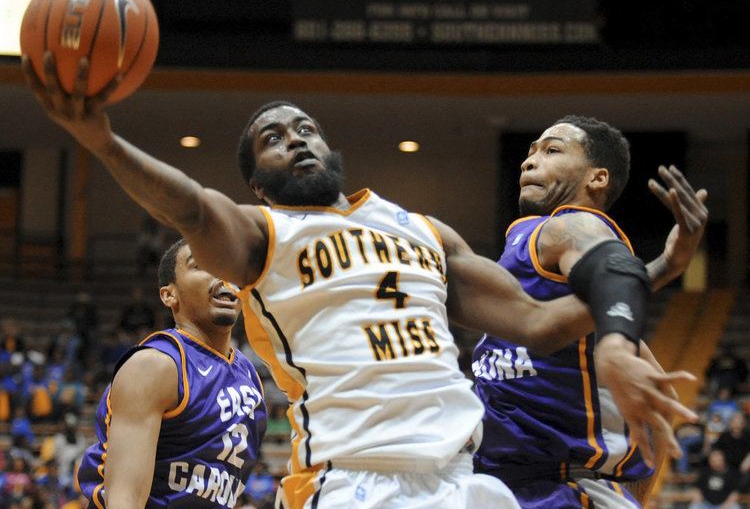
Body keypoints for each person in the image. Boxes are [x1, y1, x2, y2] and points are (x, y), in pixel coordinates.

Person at [23, 54, 696, 509]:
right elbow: (192, 207)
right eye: (273, 138)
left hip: (464, 482)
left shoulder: (424, 231)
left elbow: (542, 321)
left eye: (305, 127)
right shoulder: (263, 234)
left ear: (331, 149)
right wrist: (102, 140)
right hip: (355, 483)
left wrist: (643, 288)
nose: (295, 138)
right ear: (259, 182)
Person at [472, 115, 709, 508]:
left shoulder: (570, 225)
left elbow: (610, 266)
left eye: (551, 151)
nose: (528, 161)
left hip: (558, 489)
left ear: (596, 178)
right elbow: (659, 391)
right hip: (511, 487)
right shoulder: (527, 242)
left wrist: (660, 272)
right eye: (530, 153)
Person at [77, 239, 267, 508]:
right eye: (201, 265)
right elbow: (124, 499)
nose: (221, 275)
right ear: (169, 295)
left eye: (226, 264)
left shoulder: (250, 376)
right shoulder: (155, 366)